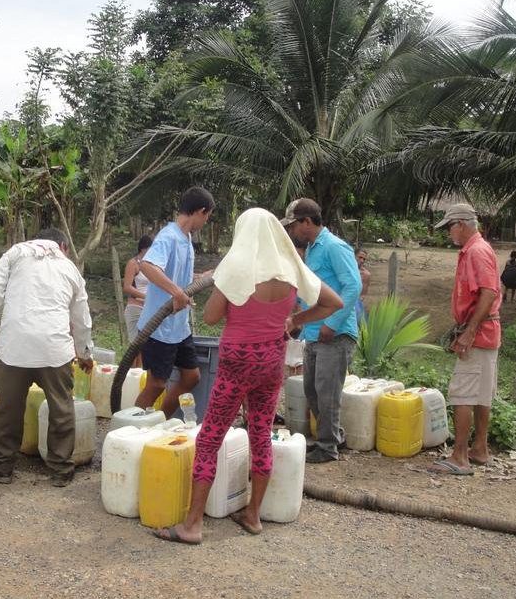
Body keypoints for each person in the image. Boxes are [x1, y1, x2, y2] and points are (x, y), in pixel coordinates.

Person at [154, 208, 342, 545]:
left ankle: (192, 525)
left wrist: (221, 286)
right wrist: (295, 319)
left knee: (210, 438)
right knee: (261, 434)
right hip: (271, 364)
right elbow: (333, 302)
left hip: (237, 363)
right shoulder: (290, 270)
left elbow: (211, 318)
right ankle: (253, 515)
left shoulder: (237, 268)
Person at [0, 228, 93, 487]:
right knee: (61, 408)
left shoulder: (16, 253)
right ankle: (61, 470)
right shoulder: (69, 267)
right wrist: (85, 352)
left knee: (8, 408)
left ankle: (3, 468)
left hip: (13, 347)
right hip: (54, 348)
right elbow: (81, 315)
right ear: (63, 245)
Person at [281, 198, 362, 463]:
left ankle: (328, 447)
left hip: (335, 333)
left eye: (294, 225)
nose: (291, 231)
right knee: (313, 391)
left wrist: (332, 323)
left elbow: (353, 286)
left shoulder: (334, 247)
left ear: (307, 221)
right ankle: (333, 437)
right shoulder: (313, 249)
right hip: (314, 332)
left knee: (327, 392)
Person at [429, 203, 501, 476]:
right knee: (481, 395)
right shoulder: (476, 250)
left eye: (449, 227)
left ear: (461, 224)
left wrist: (469, 331)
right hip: (486, 332)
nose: (449, 233)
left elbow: (488, 293)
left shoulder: (476, 252)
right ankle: (479, 449)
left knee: (462, 394)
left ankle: (460, 456)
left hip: (479, 333)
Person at [134, 187, 215, 416]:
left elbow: (178, 276)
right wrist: (177, 293)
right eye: (207, 216)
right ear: (200, 211)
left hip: (179, 327)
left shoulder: (186, 239)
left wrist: (200, 278)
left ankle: (160, 421)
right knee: (156, 384)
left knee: (191, 377)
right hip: (159, 327)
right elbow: (148, 266)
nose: (206, 221)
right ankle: (130, 429)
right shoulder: (169, 236)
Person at [122, 234, 153, 366]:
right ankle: (131, 375)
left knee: (145, 348)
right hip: (136, 307)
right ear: (144, 248)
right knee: (135, 348)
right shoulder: (133, 263)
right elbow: (127, 287)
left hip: (148, 309)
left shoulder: (152, 265)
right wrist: (146, 298)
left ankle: (139, 376)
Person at [355, 248, 371, 322]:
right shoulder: (344, 270)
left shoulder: (365, 274)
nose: (362, 261)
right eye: (360, 257)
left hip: (356, 302)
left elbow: (363, 295)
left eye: (364, 259)